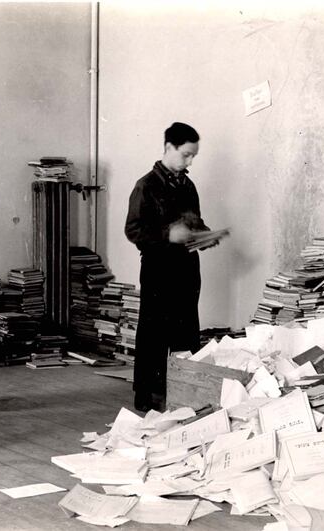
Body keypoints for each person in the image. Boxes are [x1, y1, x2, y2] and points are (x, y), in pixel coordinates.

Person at [125, 122, 213, 412]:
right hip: (159, 268)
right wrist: (167, 235)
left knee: (186, 331)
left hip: (187, 268)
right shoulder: (146, 185)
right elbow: (134, 231)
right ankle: (147, 397)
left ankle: (180, 393)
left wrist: (204, 236)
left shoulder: (188, 186)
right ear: (168, 148)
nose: (190, 162)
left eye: (193, 157)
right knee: (153, 333)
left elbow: (195, 222)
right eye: (186, 155)